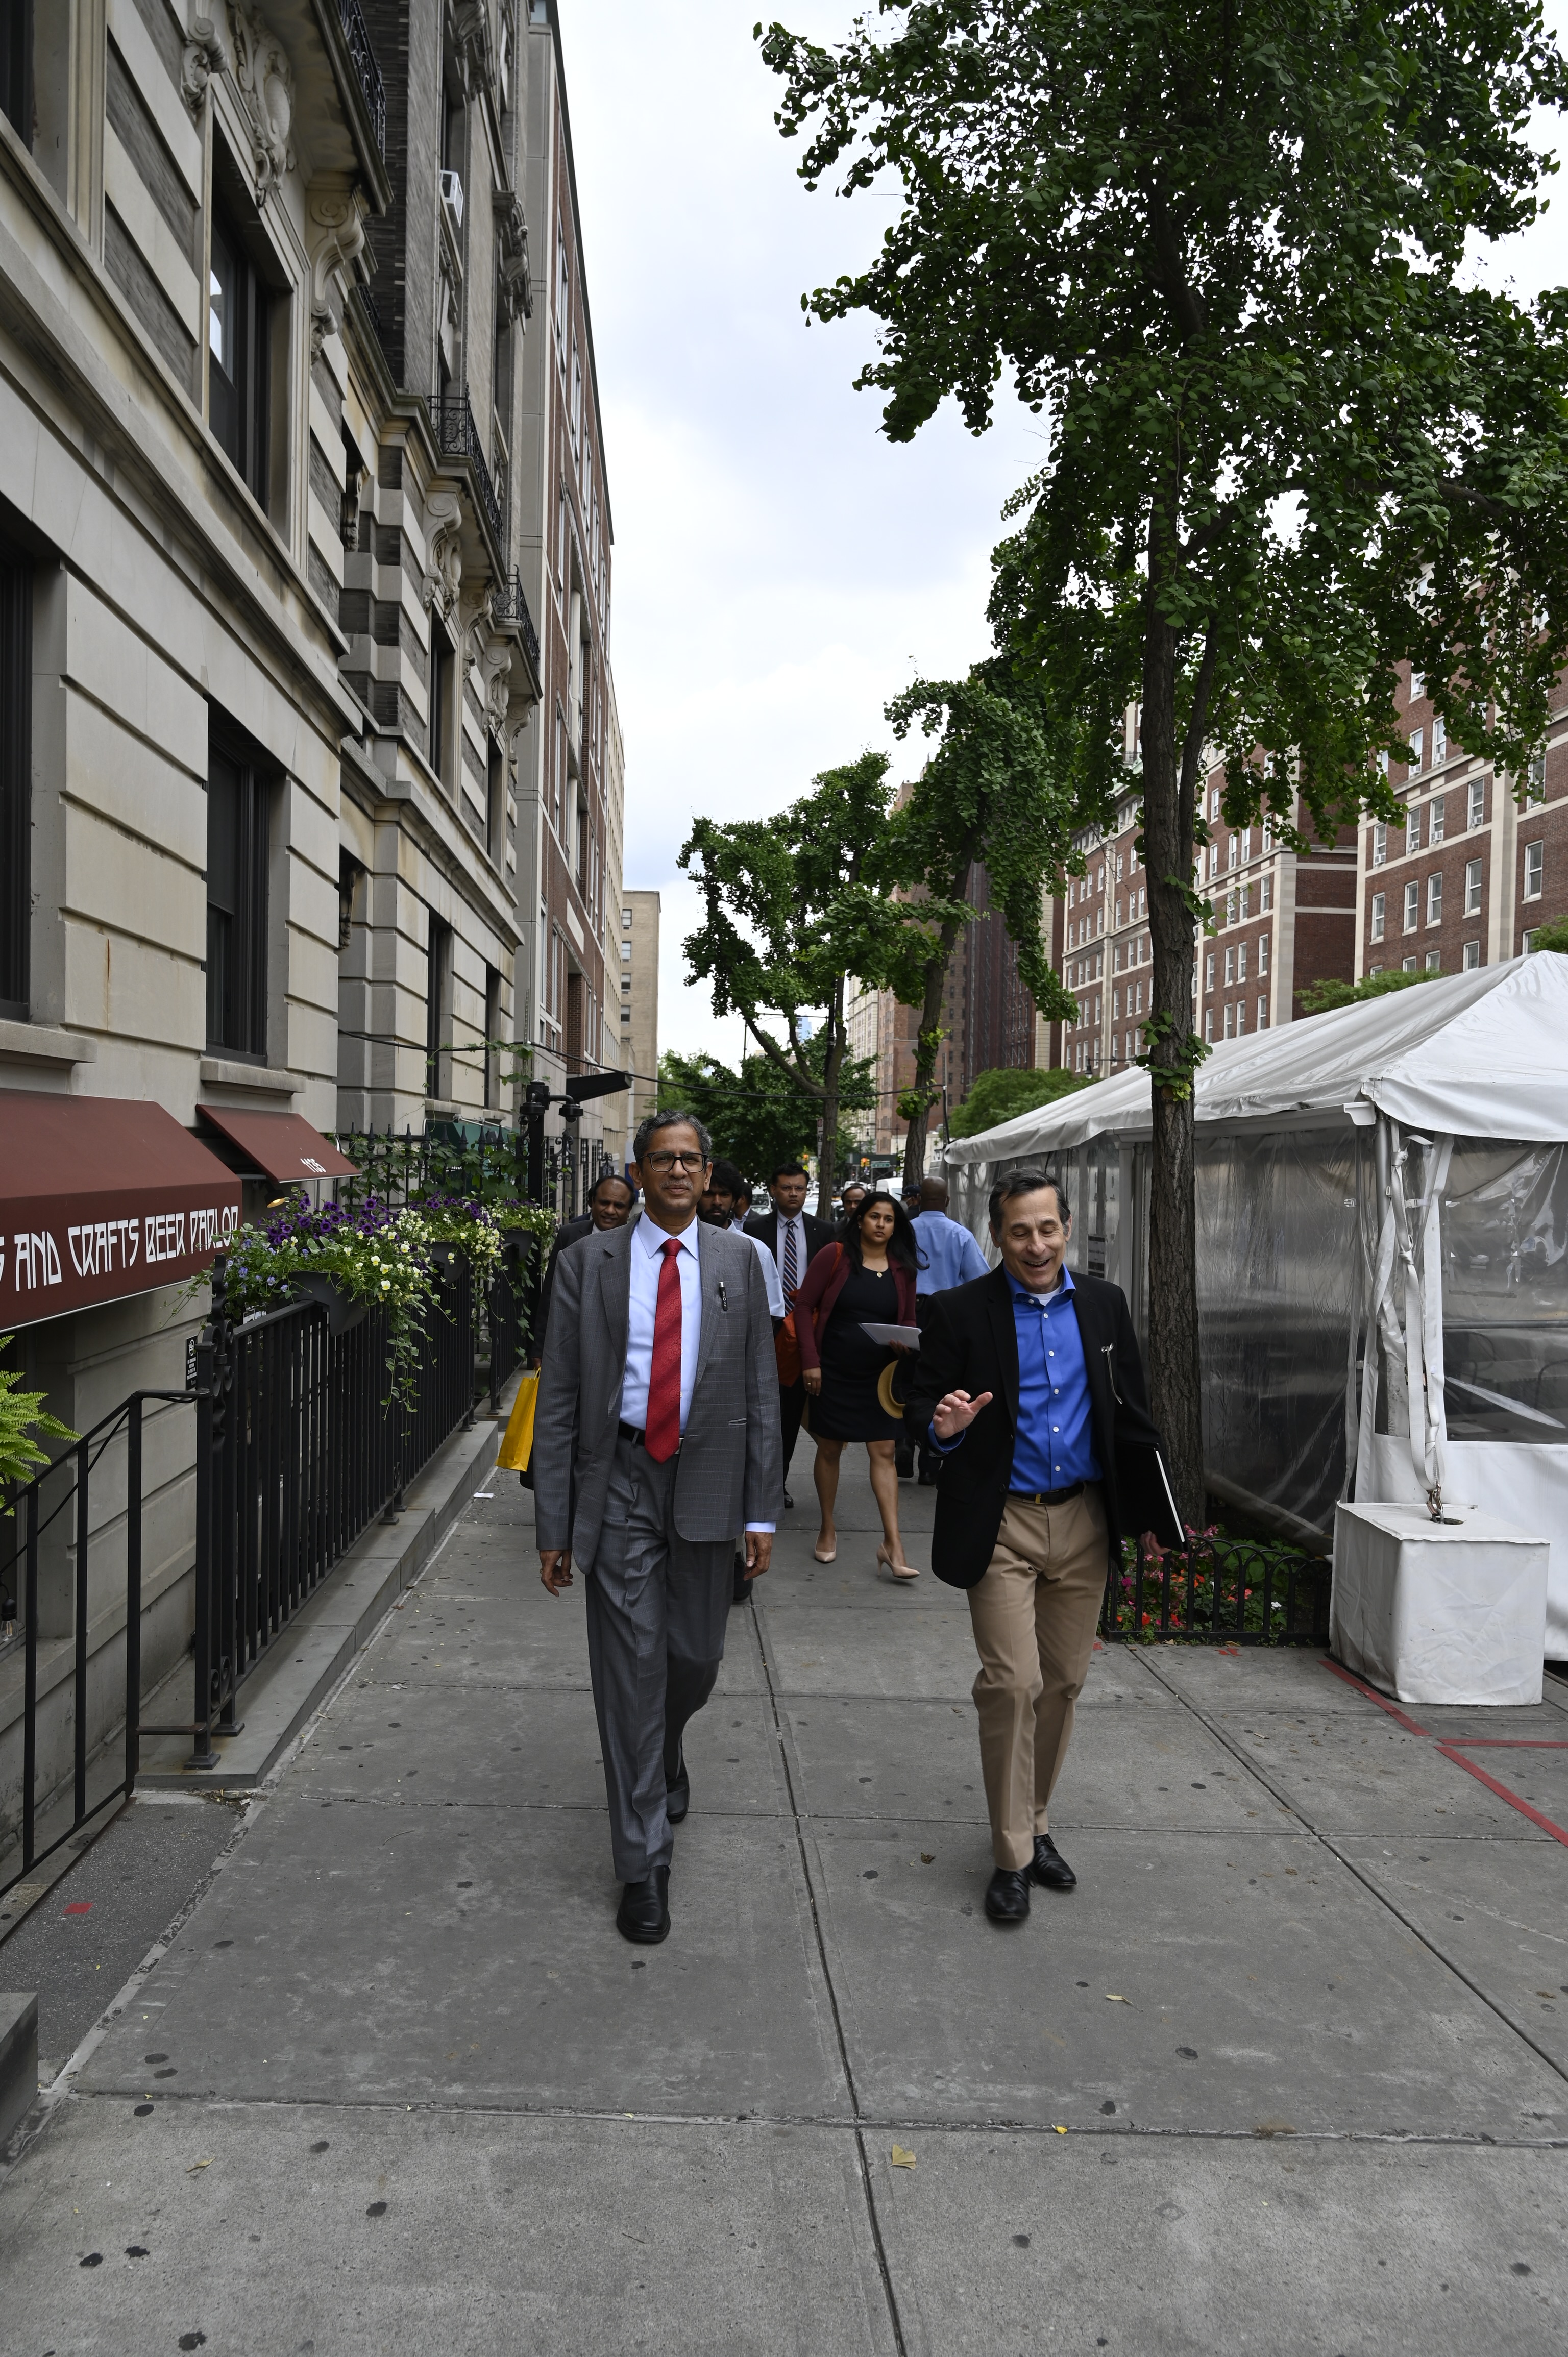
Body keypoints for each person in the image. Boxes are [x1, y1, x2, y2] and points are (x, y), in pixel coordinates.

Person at [532, 1111, 782, 1946]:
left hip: (708, 1482)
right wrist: (555, 1520)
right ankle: (643, 1861)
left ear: (706, 1174)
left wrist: (759, 1507)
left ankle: (667, 1746)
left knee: (694, 1659)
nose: (677, 1171)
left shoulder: (742, 1261)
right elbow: (560, 1396)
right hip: (622, 1483)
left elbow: (759, 1394)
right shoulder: (585, 1264)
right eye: (661, 1159)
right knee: (628, 1672)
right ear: (637, 1172)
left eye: (690, 1159)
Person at [906, 1169, 1179, 1926]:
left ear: (1066, 1228)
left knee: (1062, 1682)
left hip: (1085, 1519)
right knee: (1011, 1682)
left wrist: (1156, 1513)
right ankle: (1011, 1855)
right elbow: (923, 1406)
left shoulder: (1104, 1305)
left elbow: (1132, 1414)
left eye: (1048, 1228)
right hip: (1001, 1523)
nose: (1036, 1244)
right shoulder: (960, 1311)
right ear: (997, 1235)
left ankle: (1037, 1818)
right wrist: (943, 1425)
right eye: (1020, 1230)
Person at [795, 1192, 922, 1580]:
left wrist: (906, 1346)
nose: (881, 1225)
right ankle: (828, 1526)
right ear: (860, 1220)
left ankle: (893, 1544)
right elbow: (803, 1307)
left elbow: (910, 1320)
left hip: (880, 1378)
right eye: (874, 1217)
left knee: (884, 1451)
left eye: (889, 1219)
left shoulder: (903, 1269)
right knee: (830, 1448)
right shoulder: (834, 1255)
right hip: (832, 1371)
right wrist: (811, 1362)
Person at [698, 1169, 786, 1606]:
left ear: (737, 1201)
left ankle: (735, 1566)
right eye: (709, 1193)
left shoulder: (754, 1251)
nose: (715, 1201)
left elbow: (769, 1319)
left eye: (723, 1195)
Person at [745, 1160, 836, 1504]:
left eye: (800, 1188)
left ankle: (776, 1483)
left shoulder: (825, 1231)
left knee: (791, 1413)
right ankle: (761, 1483)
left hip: (807, 1334)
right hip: (766, 1329)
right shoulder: (754, 1230)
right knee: (765, 1412)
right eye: (786, 1187)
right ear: (773, 1190)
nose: (794, 1194)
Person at [897, 1174, 991, 1484]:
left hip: (908, 1312)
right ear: (947, 1201)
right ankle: (929, 1465)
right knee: (937, 1385)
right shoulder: (961, 1235)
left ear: (918, 1199)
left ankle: (903, 1442)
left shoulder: (905, 1232)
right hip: (946, 1316)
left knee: (906, 1382)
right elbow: (979, 1280)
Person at [533, 1170, 636, 1361]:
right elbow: (550, 1293)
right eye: (604, 1203)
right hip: (570, 1345)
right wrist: (539, 1348)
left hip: (618, 1350)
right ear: (591, 1203)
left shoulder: (637, 1243)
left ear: (629, 1210)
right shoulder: (569, 1236)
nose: (610, 1211)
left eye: (619, 1205)